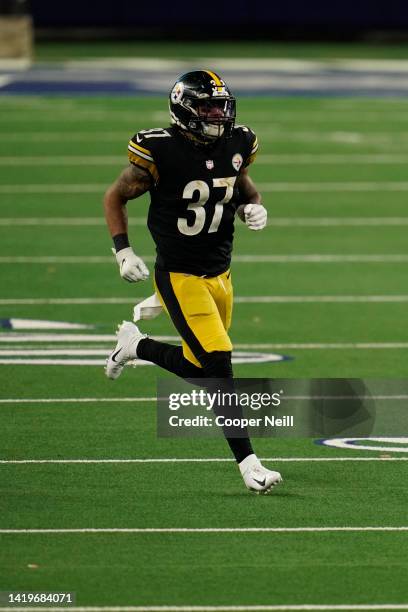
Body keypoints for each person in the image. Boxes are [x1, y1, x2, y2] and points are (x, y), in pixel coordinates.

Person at [103, 70, 282, 493]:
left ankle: (137, 346)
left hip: (221, 274)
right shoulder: (159, 150)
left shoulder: (237, 142)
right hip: (180, 275)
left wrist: (254, 208)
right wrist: (122, 250)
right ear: (185, 109)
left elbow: (244, 190)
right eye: (207, 106)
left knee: (203, 366)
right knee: (220, 366)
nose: (217, 113)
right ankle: (249, 464)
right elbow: (115, 196)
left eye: (221, 105)